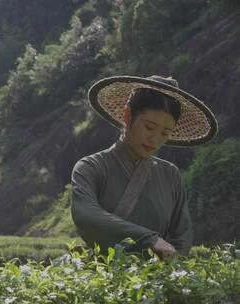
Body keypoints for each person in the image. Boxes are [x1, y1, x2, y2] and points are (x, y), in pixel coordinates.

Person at [71, 75, 218, 257]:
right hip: (102, 281)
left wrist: (174, 270)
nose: (154, 139)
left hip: (155, 282)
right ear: (127, 115)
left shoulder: (170, 175)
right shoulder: (91, 167)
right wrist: (149, 240)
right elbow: (86, 214)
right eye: (149, 127)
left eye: (165, 132)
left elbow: (181, 239)